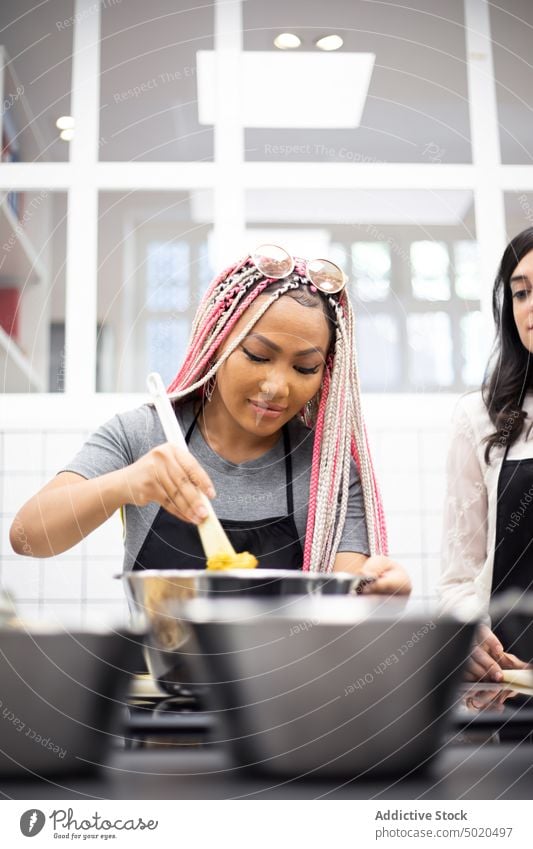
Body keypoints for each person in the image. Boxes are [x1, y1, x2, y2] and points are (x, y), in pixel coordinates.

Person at [10, 245, 410, 594]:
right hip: (158, 679)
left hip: (285, 679)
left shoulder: (330, 471)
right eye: (257, 355)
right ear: (217, 344)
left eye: (304, 368)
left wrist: (376, 596)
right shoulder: (142, 433)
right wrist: (126, 483)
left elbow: (345, 609)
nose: (277, 386)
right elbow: (28, 537)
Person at [440, 228, 533, 680]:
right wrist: (468, 633)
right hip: (517, 683)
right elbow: (459, 576)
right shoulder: (479, 417)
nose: (530, 306)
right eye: (521, 292)